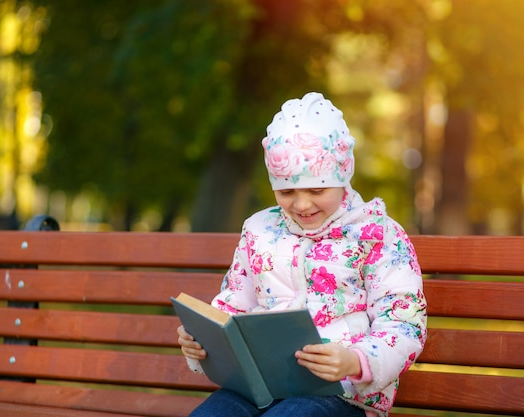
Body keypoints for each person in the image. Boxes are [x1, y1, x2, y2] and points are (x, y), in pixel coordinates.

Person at [177, 92, 427, 417]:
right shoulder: (260, 230)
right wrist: (203, 341)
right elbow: (233, 305)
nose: (302, 204)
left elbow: (404, 322)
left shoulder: (376, 233)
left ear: (343, 175)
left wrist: (356, 361)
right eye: (286, 191)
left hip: (340, 394)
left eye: (317, 190)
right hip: (260, 386)